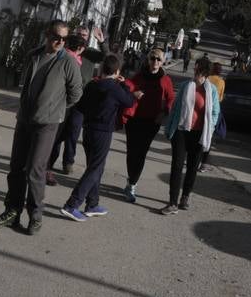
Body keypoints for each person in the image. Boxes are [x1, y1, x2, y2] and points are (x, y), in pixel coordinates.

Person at [0, 20, 83, 234]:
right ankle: (12, 211)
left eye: (64, 39)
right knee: (16, 168)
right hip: (25, 120)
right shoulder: (34, 55)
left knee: (35, 171)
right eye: (56, 36)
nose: (59, 41)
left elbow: (76, 94)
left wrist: (54, 108)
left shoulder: (68, 62)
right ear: (47, 34)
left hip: (47, 123)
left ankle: (35, 216)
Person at [60, 54, 141, 222]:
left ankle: (92, 204)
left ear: (102, 68)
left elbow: (80, 106)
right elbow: (128, 102)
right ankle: (72, 204)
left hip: (88, 128)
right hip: (103, 132)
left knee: (96, 166)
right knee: (95, 168)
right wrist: (126, 86)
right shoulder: (115, 88)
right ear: (117, 71)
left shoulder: (92, 85)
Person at [159, 57, 221, 215]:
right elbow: (175, 108)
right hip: (181, 131)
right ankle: (172, 202)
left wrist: (210, 129)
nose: (196, 72)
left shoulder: (211, 90)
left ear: (205, 72)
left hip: (199, 134)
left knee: (193, 167)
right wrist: (168, 128)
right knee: (177, 166)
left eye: (199, 70)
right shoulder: (186, 86)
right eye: (195, 69)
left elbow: (215, 113)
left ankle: (185, 197)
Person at [121, 47, 175, 203]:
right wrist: (133, 92)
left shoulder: (165, 80)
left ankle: (132, 184)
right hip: (134, 120)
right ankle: (131, 178)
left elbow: (171, 98)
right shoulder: (140, 75)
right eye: (153, 58)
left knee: (141, 153)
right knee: (131, 152)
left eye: (158, 59)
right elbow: (128, 85)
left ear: (163, 61)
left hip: (152, 122)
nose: (155, 62)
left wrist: (164, 112)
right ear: (148, 59)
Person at [48, 29, 90, 176]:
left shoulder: (82, 59)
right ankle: (49, 163)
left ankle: (65, 162)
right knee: (60, 134)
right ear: (80, 48)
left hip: (75, 106)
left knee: (70, 134)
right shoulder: (66, 58)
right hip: (67, 103)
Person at [199, 61, 227, 173]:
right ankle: (203, 164)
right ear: (220, 71)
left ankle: (194, 159)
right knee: (209, 137)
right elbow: (220, 98)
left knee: (199, 134)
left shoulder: (207, 78)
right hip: (213, 111)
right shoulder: (221, 81)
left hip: (202, 108)